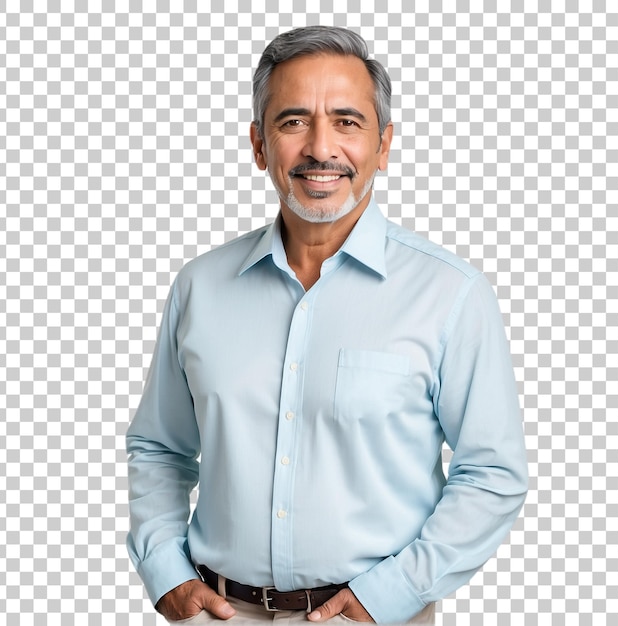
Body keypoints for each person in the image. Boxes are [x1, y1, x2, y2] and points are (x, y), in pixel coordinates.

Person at [126, 25, 528, 625]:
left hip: (374, 617)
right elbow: (160, 447)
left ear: (383, 145)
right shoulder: (200, 288)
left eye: (346, 121)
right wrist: (166, 574)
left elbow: (493, 474)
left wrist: (387, 596)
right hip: (217, 613)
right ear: (260, 146)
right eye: (293, 122)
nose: (320, 147)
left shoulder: (449, 294)